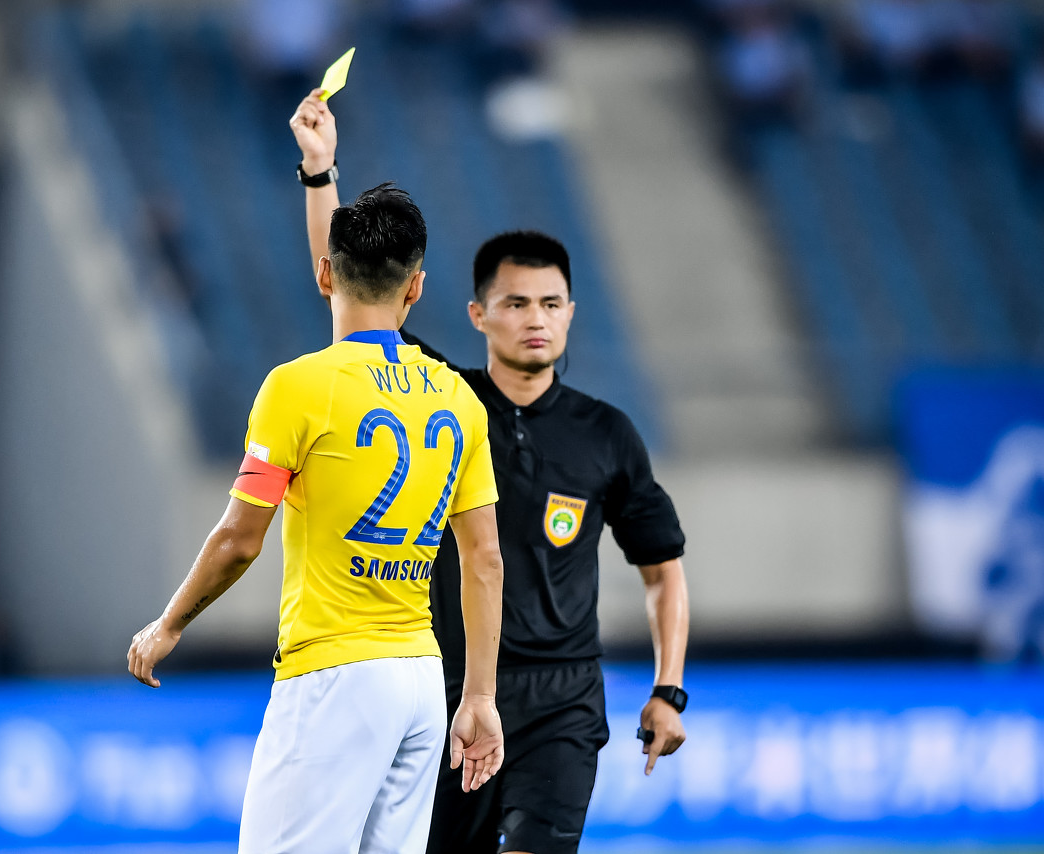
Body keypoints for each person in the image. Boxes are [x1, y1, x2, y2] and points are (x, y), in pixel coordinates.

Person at [290, 90, 690, 854]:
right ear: (478, 315)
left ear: (571, 313)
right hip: (453, 689)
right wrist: (320, 172)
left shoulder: (607, 435)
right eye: (515, 303)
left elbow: (662, 572)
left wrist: (668, 689)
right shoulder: (443, 400)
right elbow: (350, 295)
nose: (535, 318)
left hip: (564, 700)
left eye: (551, 303)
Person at [128, 182, 506, 854]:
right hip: (421, 680)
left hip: (333, 674)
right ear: (416, 287)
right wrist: (478, 696)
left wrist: (170, 623)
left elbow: (239, 539)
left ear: (326, 274)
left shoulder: (296, 388)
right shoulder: (459, 398)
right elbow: (485, 558)